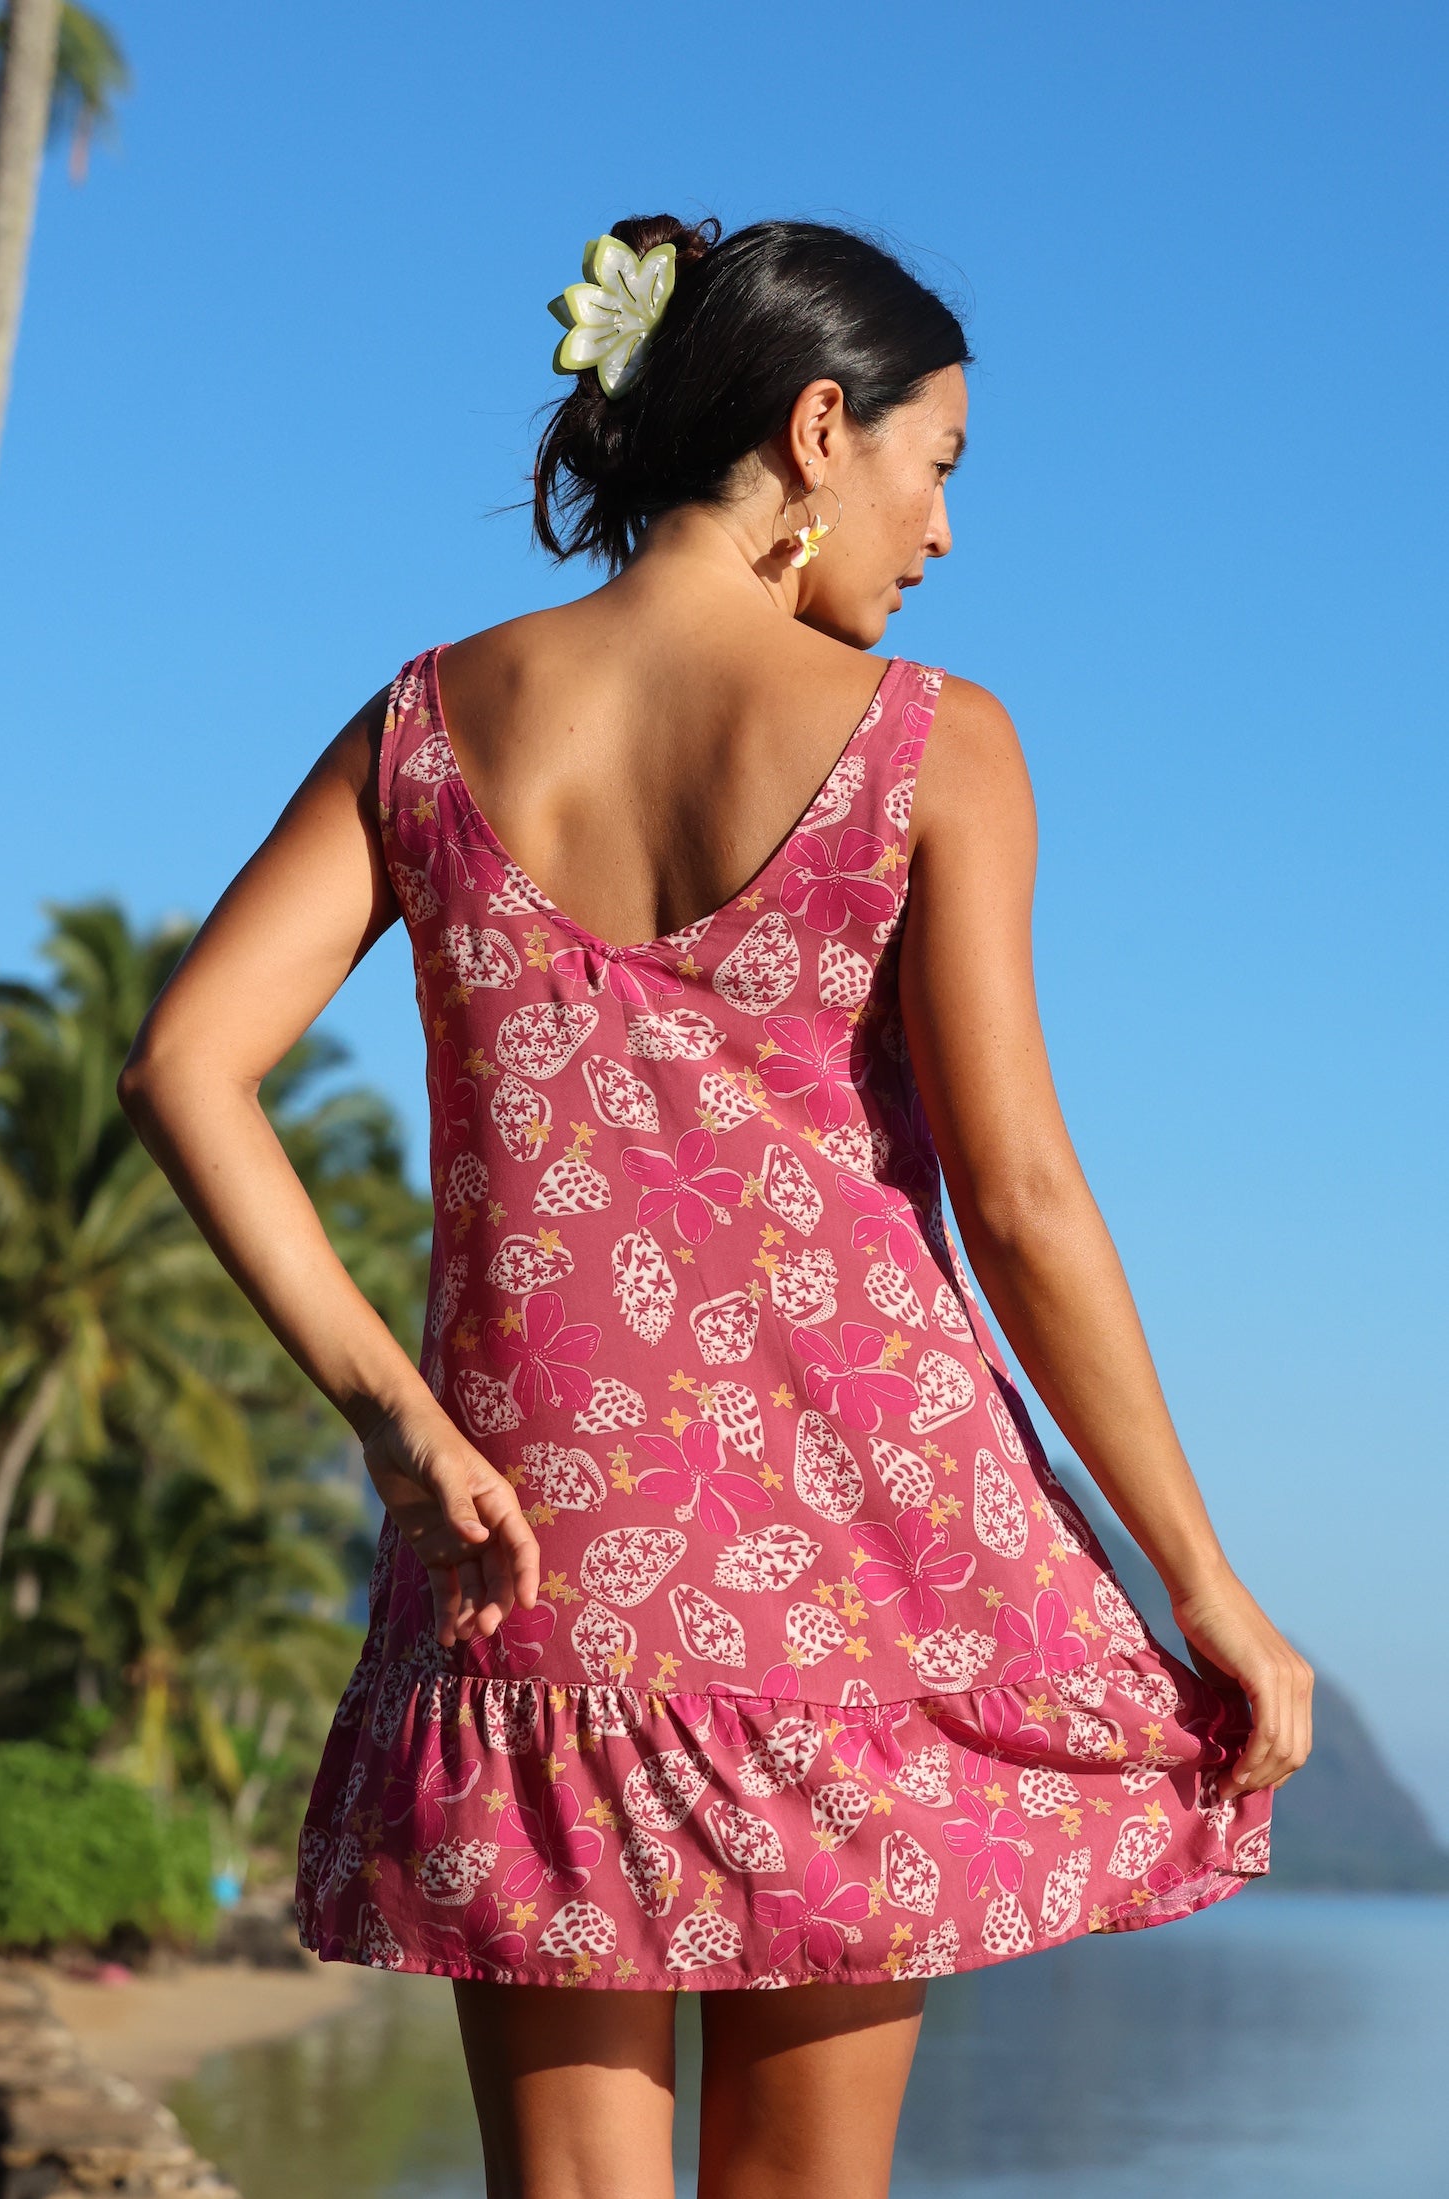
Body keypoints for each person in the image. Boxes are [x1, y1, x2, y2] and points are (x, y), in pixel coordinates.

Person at [118, 214, 1313, 2199]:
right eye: (936, 470)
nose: (936, 536)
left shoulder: (427, 720)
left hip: (530, 1553)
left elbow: (183, 1064)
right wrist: (1198, 1577)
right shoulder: (936, 741)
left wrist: (393, 1422)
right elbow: (1015, 1199)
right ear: (817, 427)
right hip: (854, 1563)